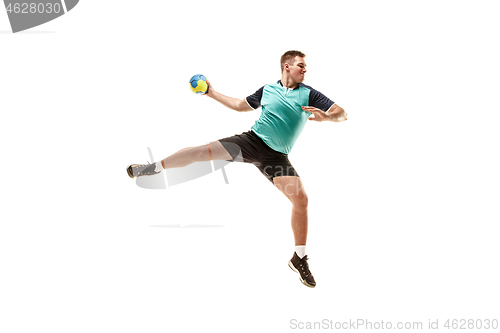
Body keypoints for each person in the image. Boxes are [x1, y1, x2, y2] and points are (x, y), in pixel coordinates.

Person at [127, 50, 348, 288]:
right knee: (200, 152)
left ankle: (299, 257)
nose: (305, 69)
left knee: (301, 200)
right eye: (301, 65)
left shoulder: (309, 94)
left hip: (276, 157)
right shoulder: (267, 90)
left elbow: (342, 113)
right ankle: (152, 167)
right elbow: (241, 105)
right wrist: (211, 92)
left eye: (305, 66)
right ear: (287, 66)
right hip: (251, 143)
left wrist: (327, 117)